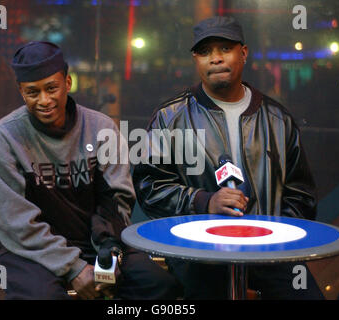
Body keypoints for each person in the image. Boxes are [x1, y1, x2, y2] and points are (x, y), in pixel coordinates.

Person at [133, 16, 323, 299]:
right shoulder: (170, 118)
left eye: (224, 48)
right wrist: (205, 201)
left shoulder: (278, 119)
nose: (215, 59)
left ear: (243, 53)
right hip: (198, 255)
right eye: (205, 52)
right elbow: (151, 188)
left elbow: (301, 195)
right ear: (195, 59)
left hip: (272, 256)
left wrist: (269, 236)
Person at [0, 41, 180, 300]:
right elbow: (15, 223)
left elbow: (116, 198)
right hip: (23, 247)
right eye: (33, 92)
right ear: (21, 91)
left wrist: (109, 246)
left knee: (158, 285)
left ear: (68, 82)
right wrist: (73, 267)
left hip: (92, 238)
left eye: (52, 88)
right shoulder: (3, 139)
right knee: (44, 296)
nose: (44, 100)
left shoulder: (102, 129)